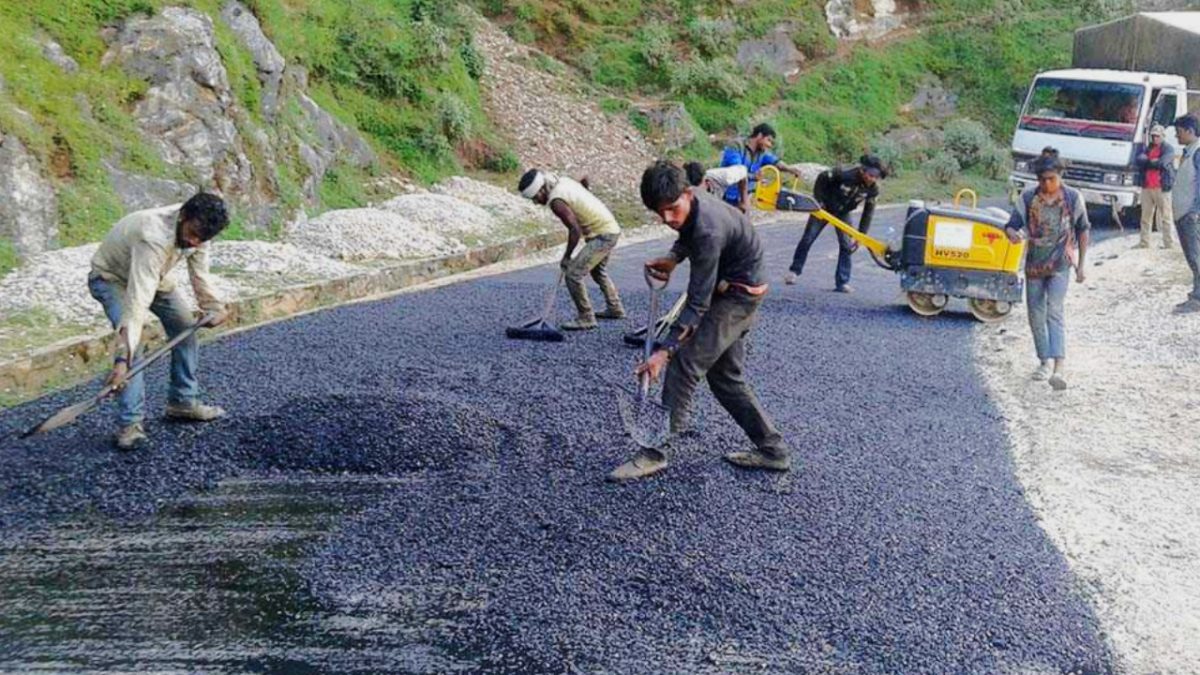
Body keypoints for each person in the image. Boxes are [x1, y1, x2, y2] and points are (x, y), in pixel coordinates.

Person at [609, 161, 791, 481]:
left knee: (684, 365)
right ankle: (773, 451)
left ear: (686, 193)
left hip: (738, 295)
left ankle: (655, 452)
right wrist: (673, 257)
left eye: (671, 209)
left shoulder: (708, 230)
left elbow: (697, 304)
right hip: (736, 285)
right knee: (725, 378)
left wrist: (664, 352)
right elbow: (686, 230)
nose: (667, 219)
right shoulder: (694, 200)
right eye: (659, 212)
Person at [89, 193, 231, 450]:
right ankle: (130, 424)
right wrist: (123, 359)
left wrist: (214, 306)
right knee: (136, 343)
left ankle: (182, 401)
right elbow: (135, 306)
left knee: (185, 326)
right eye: (192, 234)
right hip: (112, 279)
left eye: (202, 239)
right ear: (183, 216)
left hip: (155, 276)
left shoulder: (199, 232)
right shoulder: (153, 237)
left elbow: (200, 275)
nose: (194, 242)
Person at [1004, 152, 1090, 390]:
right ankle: (1043, 360)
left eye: (1051, 179)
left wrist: (1081, 265)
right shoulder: (1028, 197)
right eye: (1042, 180)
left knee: (1054, 310)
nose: (1047, 184)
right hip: (1034, 265)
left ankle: (1058, 367)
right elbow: (1012, 225)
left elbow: (1083, 230)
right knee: (1035, 314)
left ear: (1060, 176)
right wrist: (1013, 236)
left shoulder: (1073, 198)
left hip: (1061, 264)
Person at [519, 169, 625, 329]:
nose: (536, 202)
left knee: (573, 274)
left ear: (541, 190)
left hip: (603, 234)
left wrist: (567, 257)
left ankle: (586, 317)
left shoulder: (556, 201)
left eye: (535, 198)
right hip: (610, 228)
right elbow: (581, 189)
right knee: (598, 271)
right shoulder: (563, 181)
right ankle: (615, 308)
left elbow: (575, 230)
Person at [784, 155, 885, 293]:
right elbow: (822, 177)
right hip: (824, 208)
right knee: (808, 238)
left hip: (843, 213)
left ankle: (842, 282)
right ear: (863, 171)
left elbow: (868, 212)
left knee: (846, 246)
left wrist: (861, 235)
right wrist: (819, 200)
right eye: (870, 175)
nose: (872, 179)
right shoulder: (845, 174)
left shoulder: (873, 189)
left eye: (875, 177)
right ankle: (794, 271)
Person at [718, 123, 805, 212]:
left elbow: (775, 162)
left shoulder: (762, 153)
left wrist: (789, 169)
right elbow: (737, 172)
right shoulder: (736, 146)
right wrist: (753, 177)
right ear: (759, 135)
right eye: (768, 140)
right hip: (725, 195)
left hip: (744, 197)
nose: (769, 145)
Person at [1171, 114, 1200, 314]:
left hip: (1190, 215)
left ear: (1190, 131)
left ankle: (1198, 298)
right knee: (1193, 257)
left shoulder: (1197, 153)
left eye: (1179, 132)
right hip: (1185, 214)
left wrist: (1195, 212)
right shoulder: (1190, 152)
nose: (1176, 136)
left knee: (1196, 257)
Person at [1134, 124, 1176, 249]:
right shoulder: (1148, 148)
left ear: (1163, 136)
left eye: (1157, 136)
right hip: (1147, 187)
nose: (1155, 138)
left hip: (1161, 187)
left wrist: (1149, 162)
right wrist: (1151, 162)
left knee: (1166, 217)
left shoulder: (1168, 149)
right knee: (1145, 217)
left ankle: (1169, 244)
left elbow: (1163, 163)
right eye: (1153, 136)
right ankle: (1144, 242)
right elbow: (1139, 160)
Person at [683, 161, 748, 198]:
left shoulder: (725, 176)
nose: (699, 192)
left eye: (700, 189)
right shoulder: (684, 192)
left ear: (705, 179)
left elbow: (743, 171)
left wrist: (744, 201)